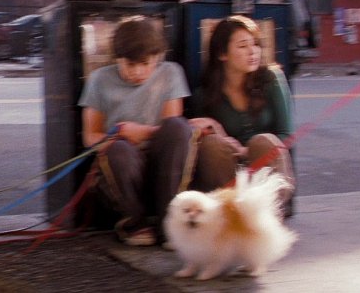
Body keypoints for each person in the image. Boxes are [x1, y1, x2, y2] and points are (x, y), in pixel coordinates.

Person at [78, 15, 195, 246]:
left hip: (164, 165)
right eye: (130, 65)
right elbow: (90, 137)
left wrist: (142, 132)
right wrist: (121, 135)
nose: (139, 72)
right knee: (118, 150)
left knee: (178, 127)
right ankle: (133, 224)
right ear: (118, 58)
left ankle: (170, 225)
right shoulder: (99, 79)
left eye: (146, 63)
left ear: (157, 57)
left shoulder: (170, 73)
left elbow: (171, 130)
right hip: (122, 167)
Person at [189, 15, 296, 215]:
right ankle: (230, 214)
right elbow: (197, 141)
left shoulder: (271, 78)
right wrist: (216, 129)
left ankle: (267, 214)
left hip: (266, 169)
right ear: (222, 54)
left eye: (255, 44)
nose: (253, 51)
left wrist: (246, 150)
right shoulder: (204, 95)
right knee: (211, 145)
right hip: (228, 175)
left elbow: (286, 135)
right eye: (243, 46)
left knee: (263, 142)